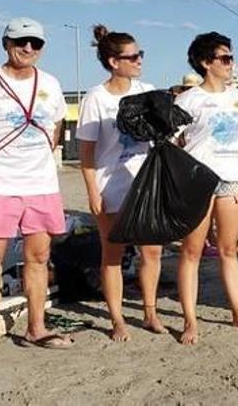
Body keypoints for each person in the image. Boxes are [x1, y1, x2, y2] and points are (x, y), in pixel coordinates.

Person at [0, 17, 72, 366]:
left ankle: (37, 327)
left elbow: (57, 126)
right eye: (21, 42)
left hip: (41, 185)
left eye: (36, 43)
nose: (28, 48)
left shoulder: (50, 83)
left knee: (38, 257)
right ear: (6, 44)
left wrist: (38, 163)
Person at [174, 32, 238, 345]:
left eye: (231, 57)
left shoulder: (237, 97)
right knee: (192, 251)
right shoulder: (188, 100)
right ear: (205, 63)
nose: (231, 64)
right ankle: (190, 321)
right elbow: (171, 141)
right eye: (224, 58)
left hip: (231, 179)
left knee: (229, 249)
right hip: (198, 181)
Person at [76, 25, 165, 342]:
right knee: (112, 256)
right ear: (114, 61)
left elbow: (163, 137)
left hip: (145, 186)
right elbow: (86, 153)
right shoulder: (95, 99)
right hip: (109, 185)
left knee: (151, 252)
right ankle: (116, 320)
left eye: (141, 54)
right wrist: (92, 191)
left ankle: (150, 312)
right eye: (133, 56)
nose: (140, 60)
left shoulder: (148, 90)